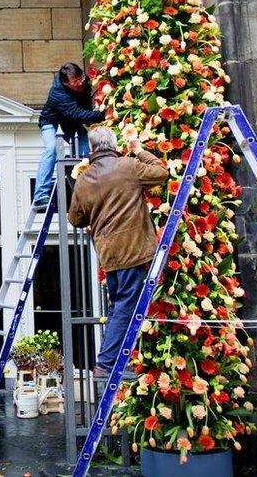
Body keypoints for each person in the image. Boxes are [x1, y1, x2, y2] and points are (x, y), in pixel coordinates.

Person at [66, 127, 168, 379]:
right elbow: (161, 172)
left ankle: (109, 360)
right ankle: (107, 363)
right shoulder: (127, 166)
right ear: (114, 145)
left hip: (108, 254)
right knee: (125, 306)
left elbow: (75, 219)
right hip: (132, 249)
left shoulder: (83, 180)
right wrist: (139, 150)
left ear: (91, 149)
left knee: (118, 306)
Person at [33, 62, 106, 211]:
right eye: (75, 81)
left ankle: (89, 191)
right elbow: (76, 113)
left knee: (87, 152)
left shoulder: (84, 83)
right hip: (51, 123)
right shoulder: (57, 93)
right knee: (51, 148)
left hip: (72, 124)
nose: (80, 82)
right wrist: (101, 115)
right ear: (66, 83)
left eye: (81, 78)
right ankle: (40, 195)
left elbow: (84, 108)